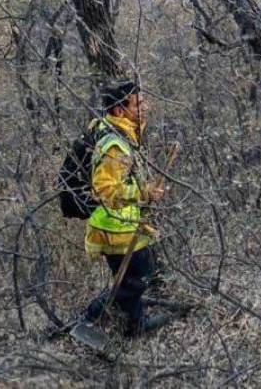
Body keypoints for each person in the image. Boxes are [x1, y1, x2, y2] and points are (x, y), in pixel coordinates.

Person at [79, 80, 168, 337]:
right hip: (114, 227)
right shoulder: (116, 145)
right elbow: (105, 190)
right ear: (120, 111)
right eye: (137, 104)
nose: (144, 107)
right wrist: (144, 192)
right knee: (133, 282)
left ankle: (135, 330)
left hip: (121, 223)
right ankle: (90, 315)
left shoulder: (117, 131)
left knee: (134, 279)